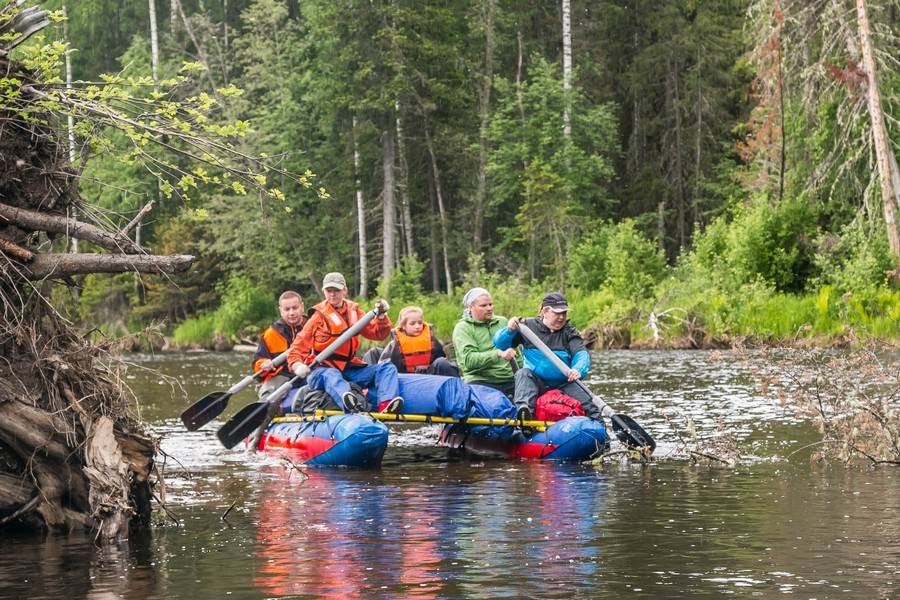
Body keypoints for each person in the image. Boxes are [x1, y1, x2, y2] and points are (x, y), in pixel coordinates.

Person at [287, 272, 403, 413]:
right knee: (332, 375)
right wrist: (297, 365)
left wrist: (382, 317)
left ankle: (386, 404)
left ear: (344, 291)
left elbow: (378, 334)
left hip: (348, 369)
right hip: (321, 370)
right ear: (324, 292)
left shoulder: (354, 312)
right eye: (329, 291)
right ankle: (349, 403)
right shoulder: (318, 317)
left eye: (336, 290)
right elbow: (297, 347)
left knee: (386, 368)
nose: (332, 294)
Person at [493, 291, 601, 422]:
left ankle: (603, 439)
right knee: (523, 373)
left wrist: (578, 369)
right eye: (557, 313)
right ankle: (524, 414)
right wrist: (509, 330)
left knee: (591, 407)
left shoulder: (569, 332)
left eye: (564, 313)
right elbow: (500, 344)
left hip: (564, 382)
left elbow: (581, 354)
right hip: (536, 382)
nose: (561, 317)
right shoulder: (526, 326)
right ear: (545, 311)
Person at [451, 287, 516, 398]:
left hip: (510, 380)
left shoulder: (502, 322)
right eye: (483, 305)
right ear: (470, 307)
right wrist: (498, 354)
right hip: (480, 381)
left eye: (490, 304)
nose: (489, 308)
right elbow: (469, 361)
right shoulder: (462, 328)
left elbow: (516, 353)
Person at [370, 305, 460, 377]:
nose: (417, 326)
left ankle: (458, 390)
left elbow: (445, 359)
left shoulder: (432, 340)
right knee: (376, 356)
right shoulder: (394, 344)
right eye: (412, 323)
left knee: (442, 362)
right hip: (405, 379)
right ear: (403, 325)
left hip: (430, 377)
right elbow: (384, 364)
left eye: (420, 323)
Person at [252, 290, 308, 400]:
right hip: (282, 375)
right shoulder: (271, 334)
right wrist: (264, 364)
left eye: (295, 308)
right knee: (269, 391)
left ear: (302, 307)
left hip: (309, 370)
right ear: (281, 311)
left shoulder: (314, 325)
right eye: (287, 309)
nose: (291, 313)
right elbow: (257, 365)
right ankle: (264, 411)